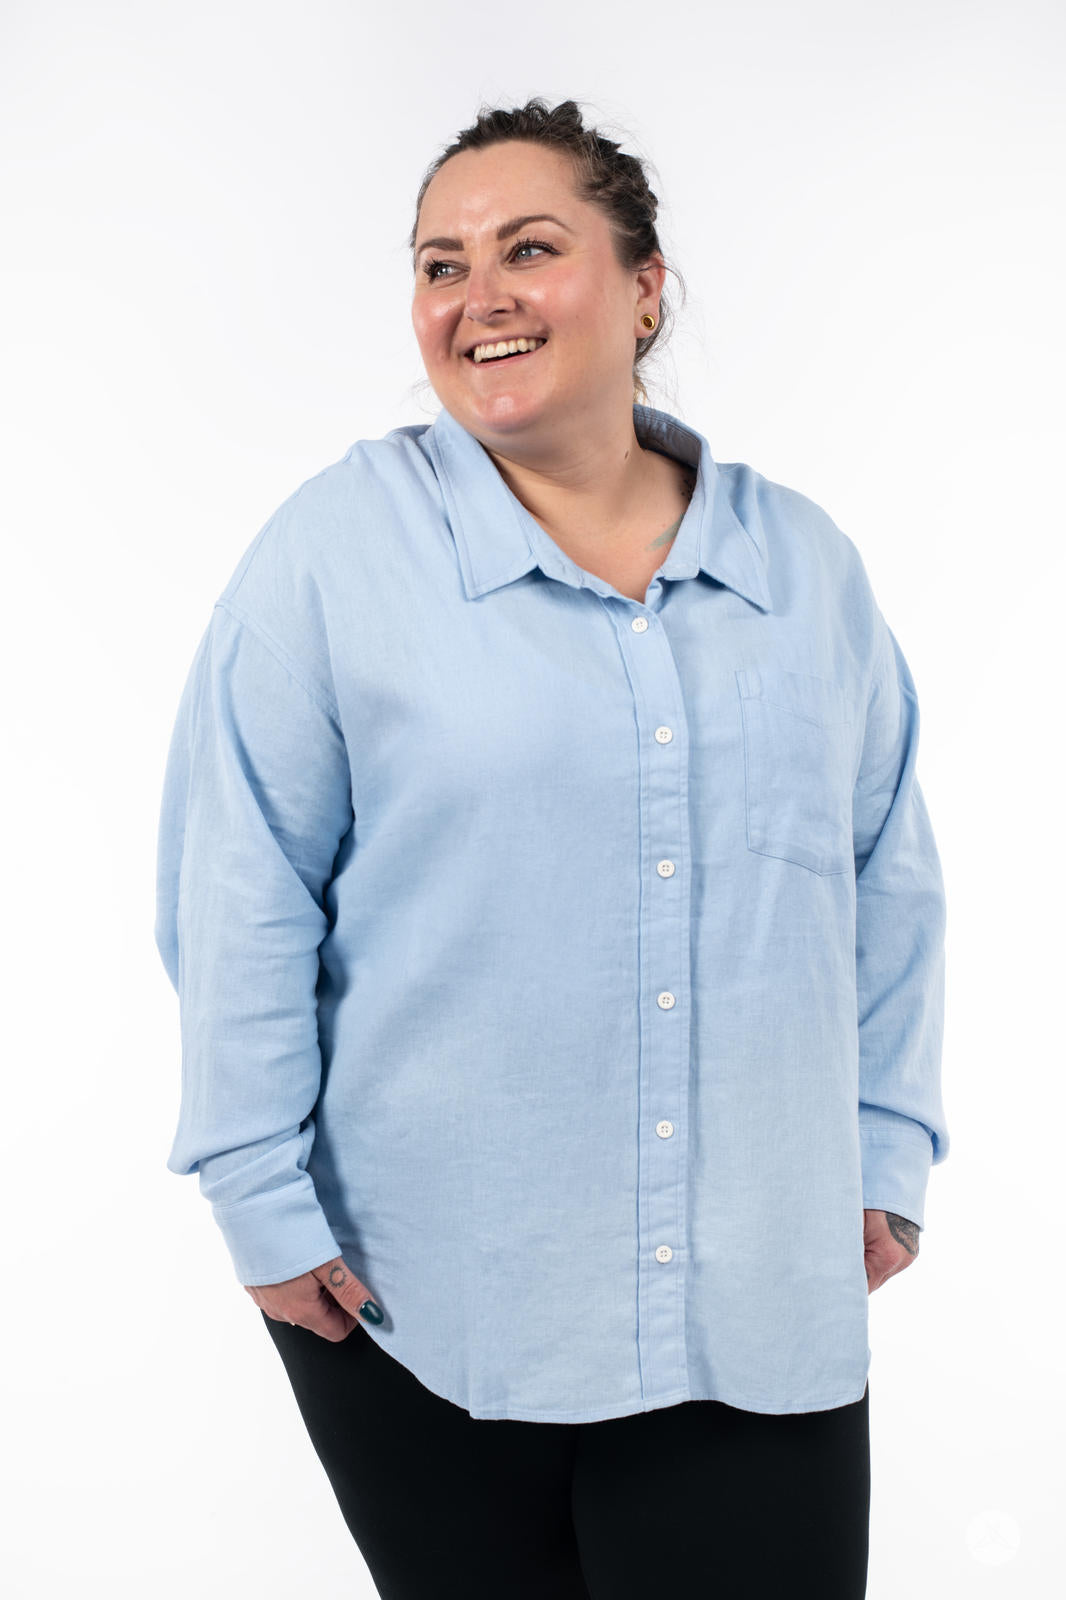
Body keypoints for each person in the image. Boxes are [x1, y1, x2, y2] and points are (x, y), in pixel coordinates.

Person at [154, 97, 949, 1599]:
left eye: (529, 248)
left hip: (754, 1300)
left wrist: (889, 1149)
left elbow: (884, 879)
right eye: (440, 264)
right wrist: (255, 1197)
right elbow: (238, 885)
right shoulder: (333, 554)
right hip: (425, 1301)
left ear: (645, 290)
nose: (480, 296)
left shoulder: (803, 569)